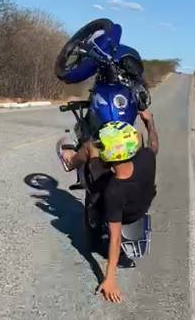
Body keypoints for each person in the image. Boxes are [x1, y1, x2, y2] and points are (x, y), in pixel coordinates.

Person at [61, 109, 158, 304]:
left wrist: (110, 278)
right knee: (139, 143)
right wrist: (150, 122)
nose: (101, 145)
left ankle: (70, 162)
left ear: (109, 156)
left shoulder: (114, 191)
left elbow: (115, 239)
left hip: (122, 211)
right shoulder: (147, 158)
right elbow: (154, 143)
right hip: (141, 204)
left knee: (89, 147)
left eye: (103, 146)